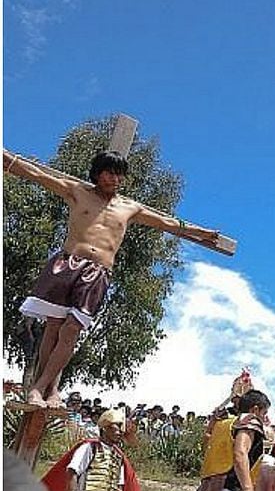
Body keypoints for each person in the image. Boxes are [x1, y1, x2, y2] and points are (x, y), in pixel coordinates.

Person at [4, 150, 220, 409]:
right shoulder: (78, 191)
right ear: (97, 173)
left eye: (119, 174)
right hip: (68, 262)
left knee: (72, 328)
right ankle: (48, 391)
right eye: (109, 172)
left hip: (97, 272)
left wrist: (201, 233)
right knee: (53, 326)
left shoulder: (129, 207)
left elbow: (167, 222)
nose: (115, 178)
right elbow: (38, 175)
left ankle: (40, 387)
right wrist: (8, 160)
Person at [41, 408, 142, 491]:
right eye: (118, 426)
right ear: (105, 427)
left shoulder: (118, 457)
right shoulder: (89, 447)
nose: (121, 431)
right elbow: (72, 472)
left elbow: (118, 487)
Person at [192, 389, 272, 491]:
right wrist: (247, 489)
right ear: (255, 409)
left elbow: (206, 446)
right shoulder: (249, 421)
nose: (264, 418)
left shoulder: (223, 424)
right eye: (264, 413)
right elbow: (240, 453)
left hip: (209, 487)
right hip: (230, 490)